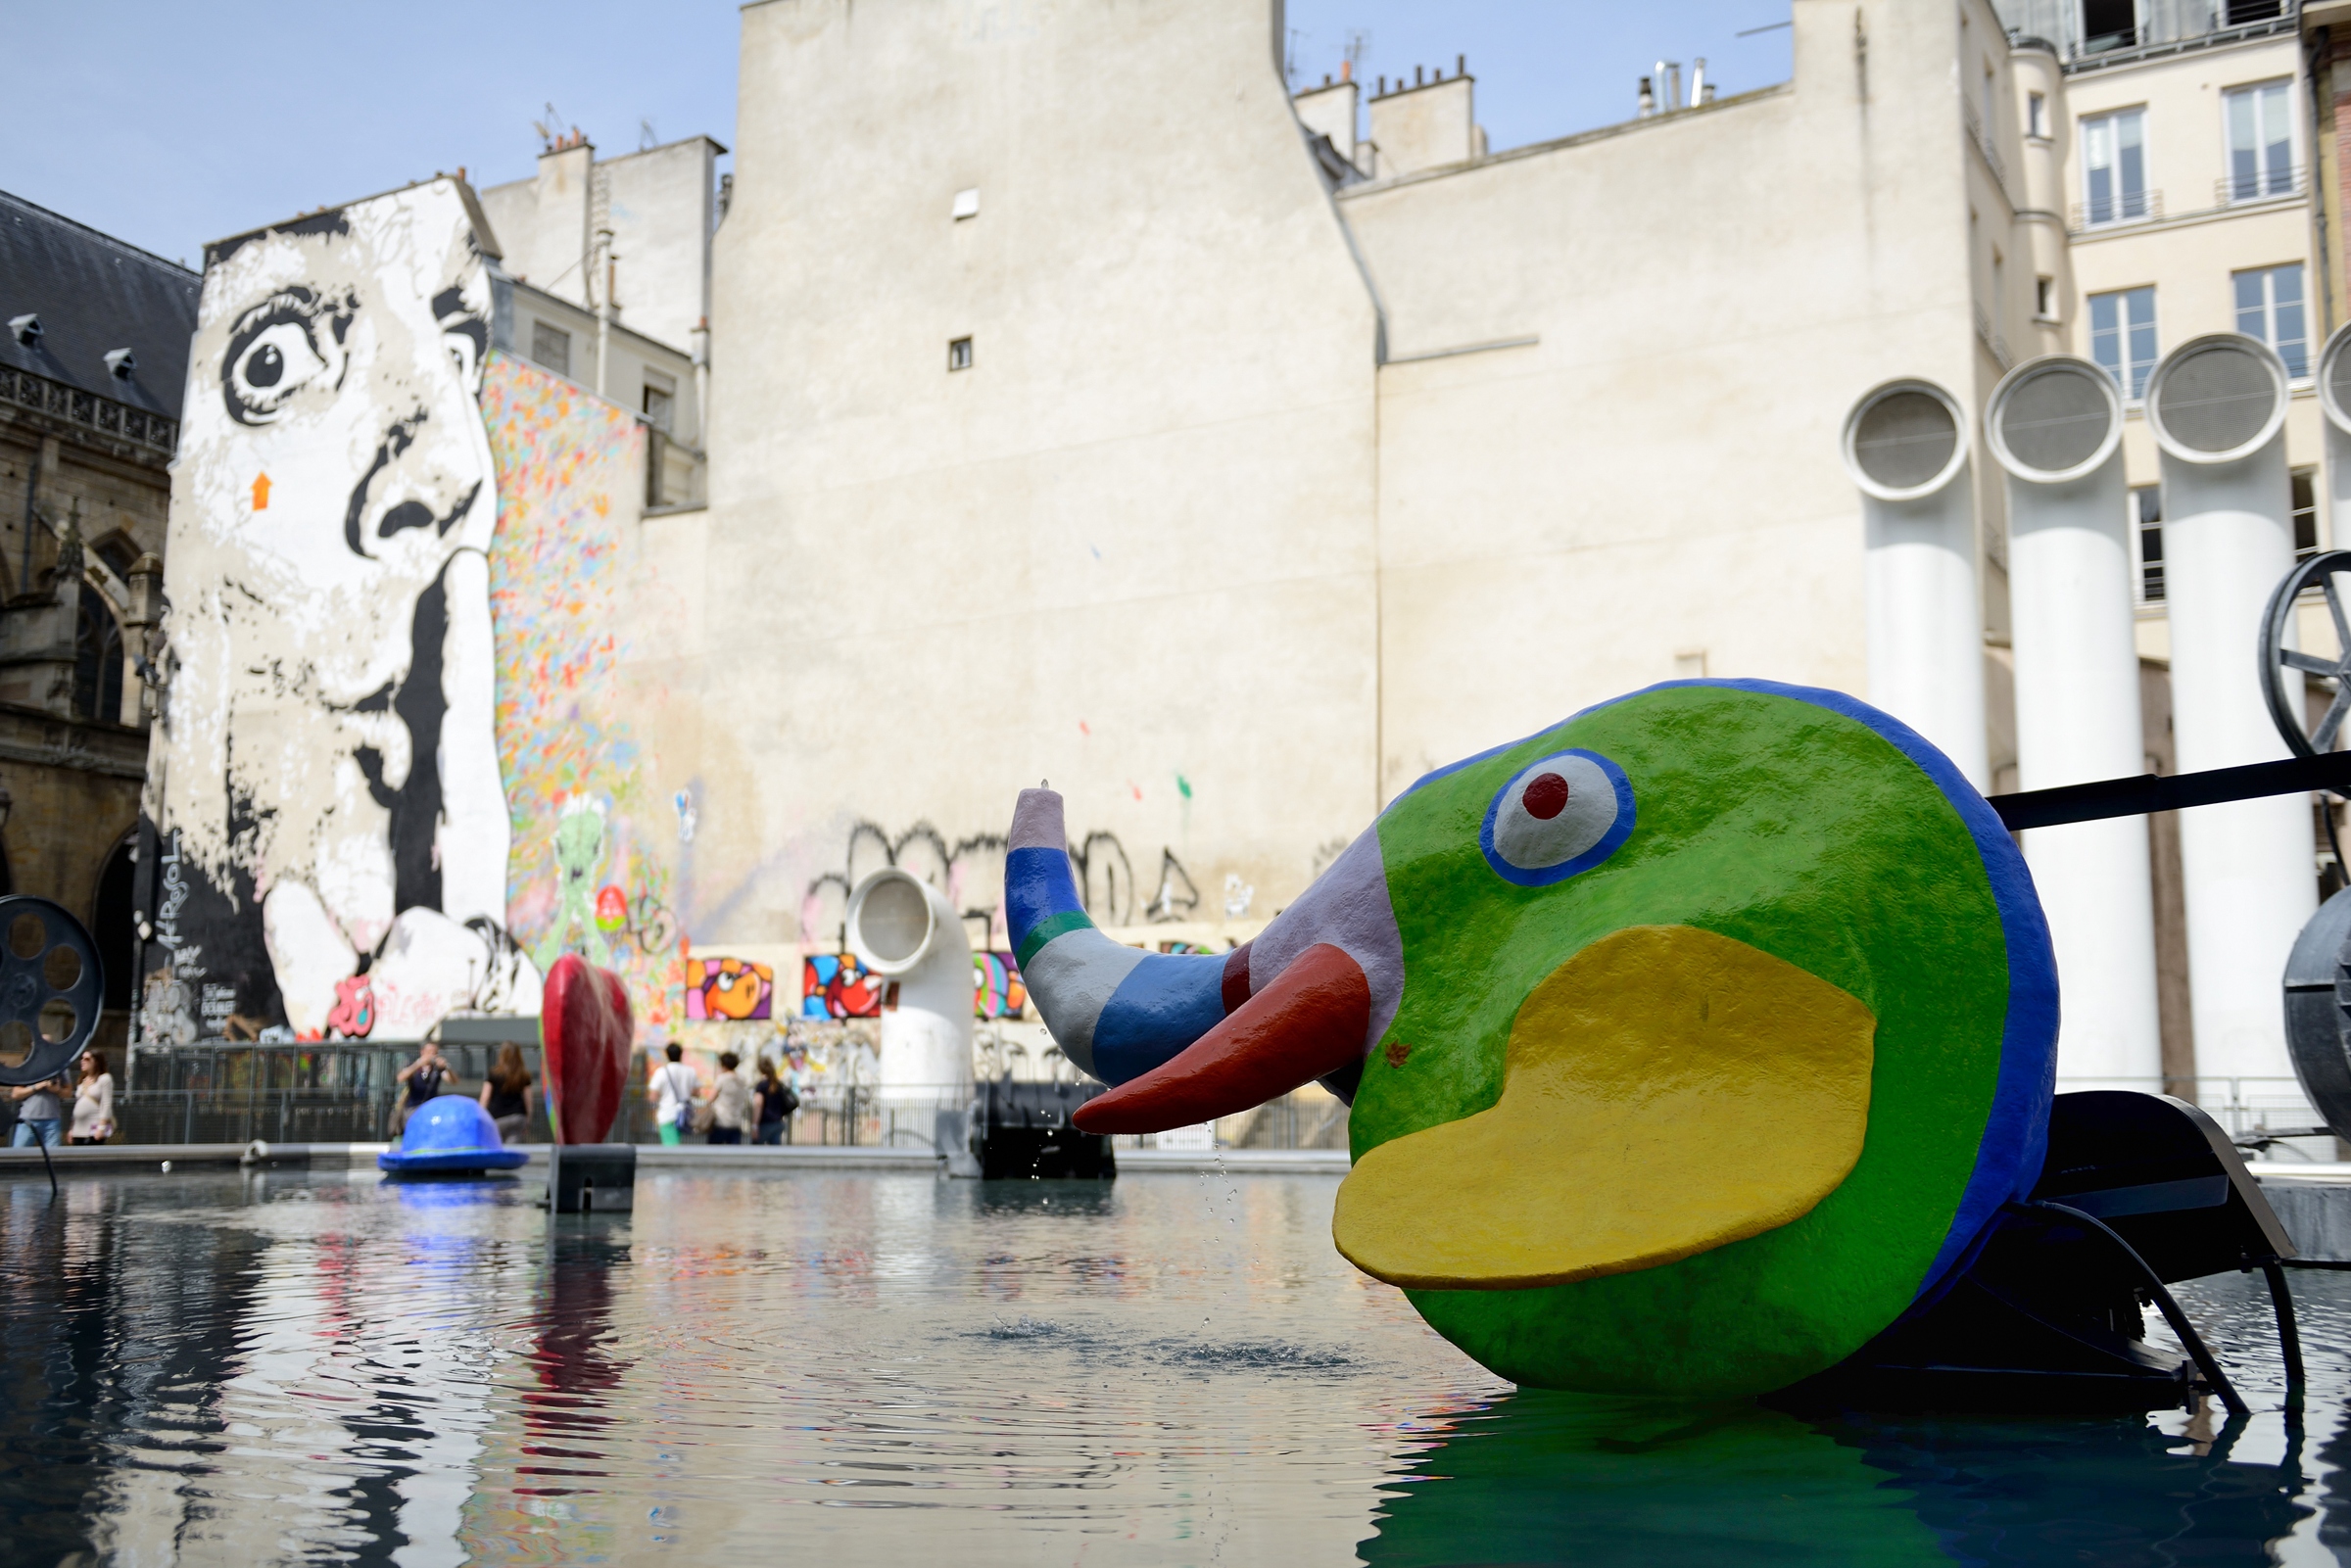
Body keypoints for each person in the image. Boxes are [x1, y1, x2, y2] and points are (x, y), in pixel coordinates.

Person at [390, 1036, 456, 1138]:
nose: (432, 1055)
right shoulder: (414, 1067)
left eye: (434, 1052)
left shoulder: (437, 1069)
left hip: (430, 1109)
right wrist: (418, 1064)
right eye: (429, 1052)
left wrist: (446, 1066)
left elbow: (453, 1081)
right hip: (413, 1109)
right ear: (422, 1052)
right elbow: (400, 1078)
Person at [478, 1043, 534, 1144]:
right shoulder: (524, 1075)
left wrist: (480, 1117)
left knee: (496, 1147)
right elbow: (528, 1101)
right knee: (512, 1148)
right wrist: (528, 1121)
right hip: (518, 1118)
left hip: (497, 1118)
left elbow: (485, 1098)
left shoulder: (493, 1074)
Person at [649, 1042, 699, 1148]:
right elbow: (697, 1092)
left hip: (667, 1114)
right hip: (686, 1115)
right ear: (681, 1054)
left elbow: (653, 1096)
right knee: (680, 1145)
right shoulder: (690, 1071)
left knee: (670, 1147)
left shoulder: (661, 1072)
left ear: (667, 1055)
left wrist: (654, 1110)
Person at [10, 1069, 68, 1149]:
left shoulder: (60, 1067)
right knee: (19, 1153)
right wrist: (37, 1086)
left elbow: (68, 1093)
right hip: (28, 1120)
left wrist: (58, 1090)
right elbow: (15, 1094)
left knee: (53, 1155)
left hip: (52, 1121)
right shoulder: (30, 1066)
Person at [68, 1050, 114, 1145]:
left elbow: (106, 1104)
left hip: (93, 1129)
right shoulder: (82, 1081)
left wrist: (101, 1128)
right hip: (78, 1130)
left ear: (96, 1062)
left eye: (87, 1059)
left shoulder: (104, 1079)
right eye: (82, 1058)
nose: (82, 1061)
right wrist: (71, 1129)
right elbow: (78, 1106)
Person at [708, 1052, 752, 1145]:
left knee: (713, 1151)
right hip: (736, 1122)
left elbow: (711, 1098)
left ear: (724, 1065)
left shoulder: (722, 1078)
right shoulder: (741, 1080)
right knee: (733, 1152)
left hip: (721, 1121)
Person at [754, 1057, 798, 1146]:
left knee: (755, 1148)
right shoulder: (778, 1084)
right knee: (776, 1150)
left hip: (765, 1123)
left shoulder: (762, 1086)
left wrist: (754, 1125)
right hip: (778, 1122)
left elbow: (758, 1104)